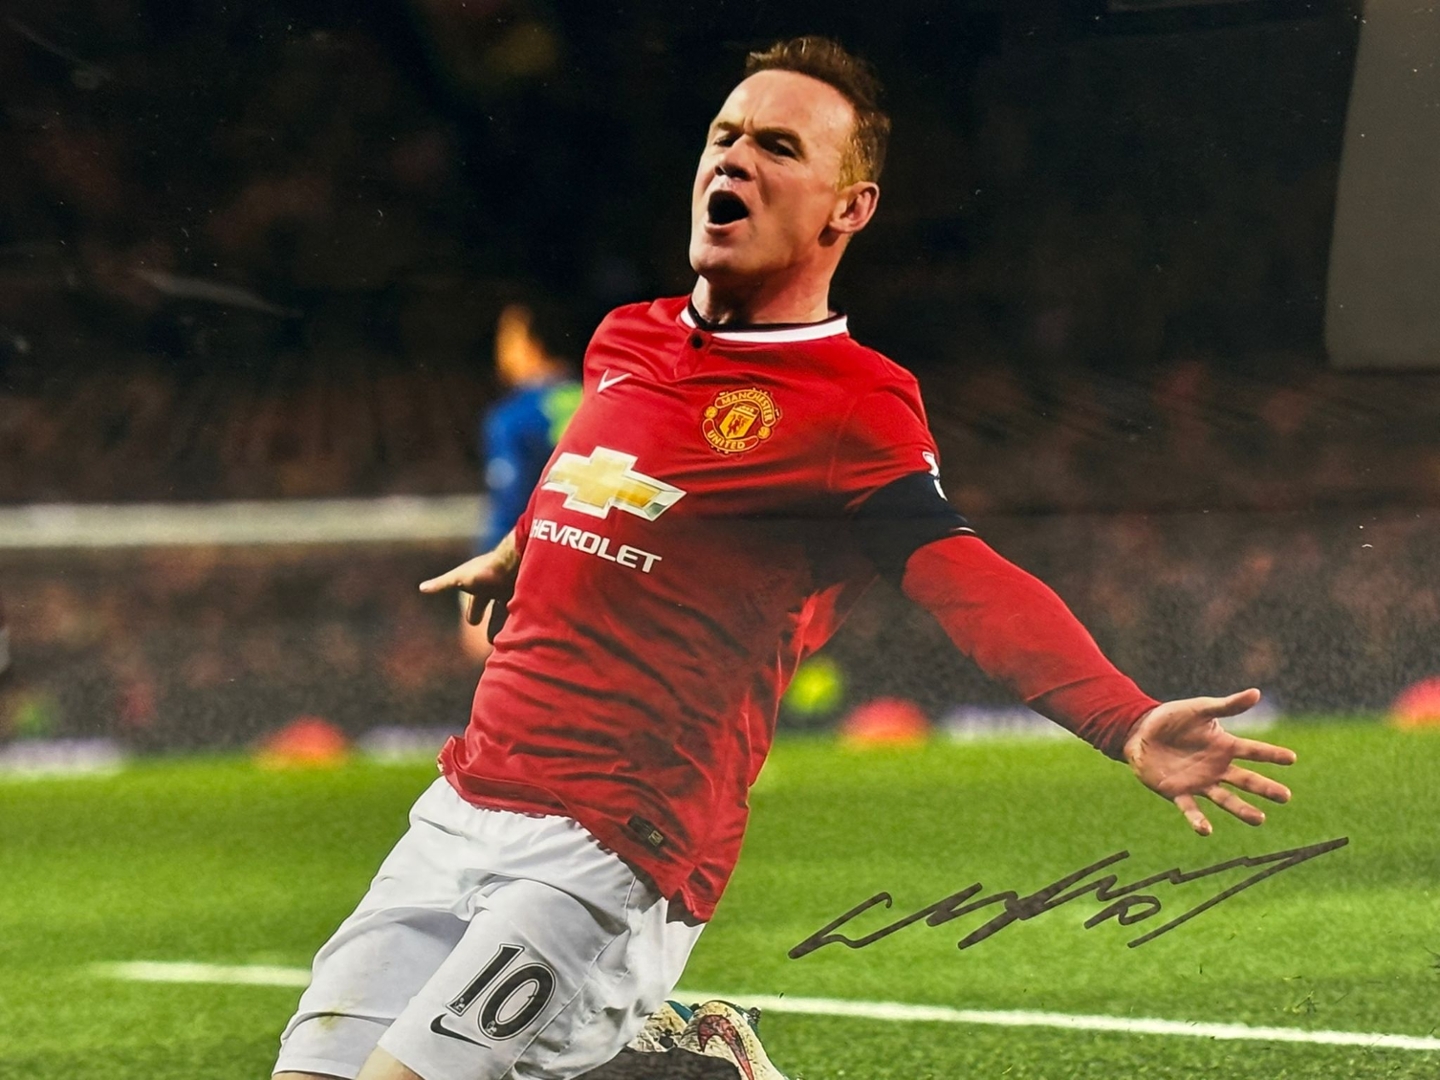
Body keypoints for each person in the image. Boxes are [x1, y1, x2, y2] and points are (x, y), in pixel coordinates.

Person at [273, 35, 1297, 1080]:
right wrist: (522, 547)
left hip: (612, 842)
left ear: (848, 208)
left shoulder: (853, 403)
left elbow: (961, 573)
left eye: (777, 146)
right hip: (465, 800)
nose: (734, 158)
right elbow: (610, 479)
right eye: (724, 136)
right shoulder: (626, 340)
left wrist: (1123, 719)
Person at [461, 301, 583, 662]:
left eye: (508, 338)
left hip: (536, 583)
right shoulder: (603, 402)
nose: (501, 350)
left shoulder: (512, 419)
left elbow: (508, 507)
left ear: (534, 343)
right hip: (603, 575)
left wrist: (481, 587)